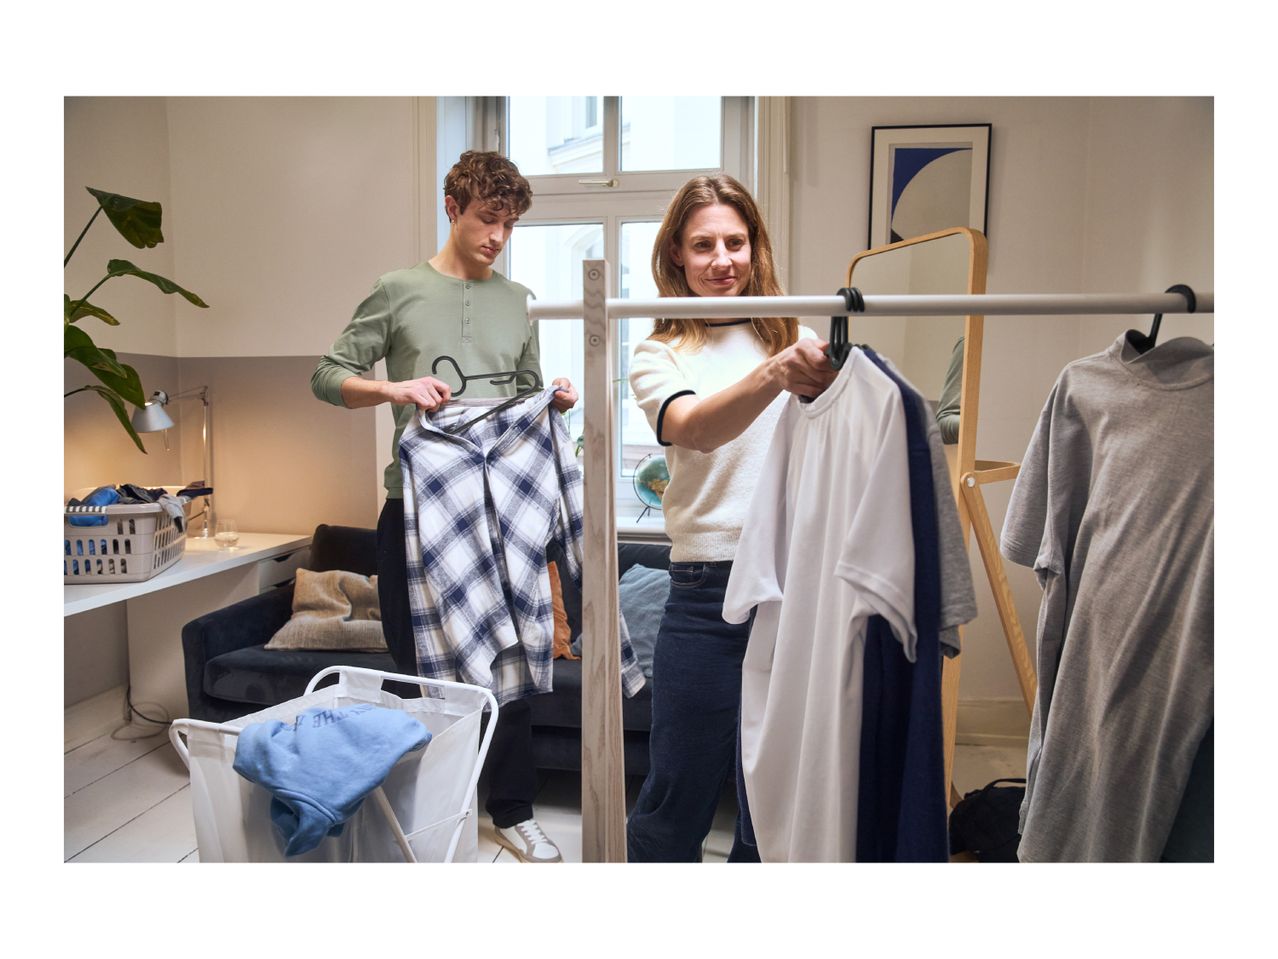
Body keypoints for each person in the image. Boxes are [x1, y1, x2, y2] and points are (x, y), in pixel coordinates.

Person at [311, 150, 578, 864]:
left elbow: (525, 397)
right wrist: (395, 391)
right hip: (415, 510)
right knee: (416, 661)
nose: (498, 234)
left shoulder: (518, 299)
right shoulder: (396, 291)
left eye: (510, 224)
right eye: (489, 218)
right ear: (453, 206)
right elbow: (325, 375)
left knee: (512, 657)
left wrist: (552, 402)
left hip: (498, 516)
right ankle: (422, 807)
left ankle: (514, 810)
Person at [625, 173, 838, 862]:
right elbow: (692, 428)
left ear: (756, 247)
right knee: (677, 789)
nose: (723, 259)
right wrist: (775, 373)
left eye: (736, 242)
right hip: (704, 592)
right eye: (704, 245)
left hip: (793, 583)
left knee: (771, 794)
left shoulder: (796, 335)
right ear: (678, 259)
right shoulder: (660, 351)